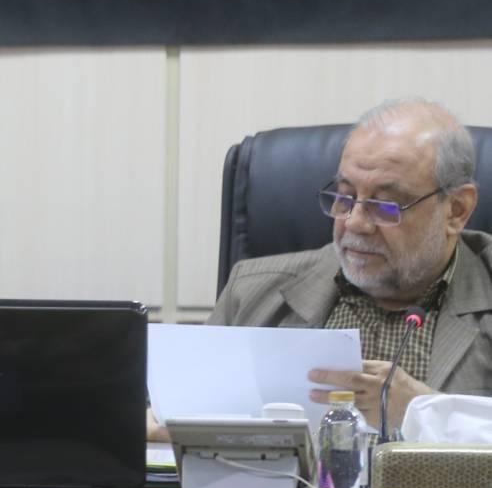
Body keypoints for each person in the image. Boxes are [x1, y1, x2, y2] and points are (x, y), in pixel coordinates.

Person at [211, 98, 492, 434]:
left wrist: (424, 413)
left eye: (385, 205)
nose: (355, 222)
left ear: (457, 210)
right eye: (344, 197)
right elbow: (185, 419)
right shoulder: (251, 292)